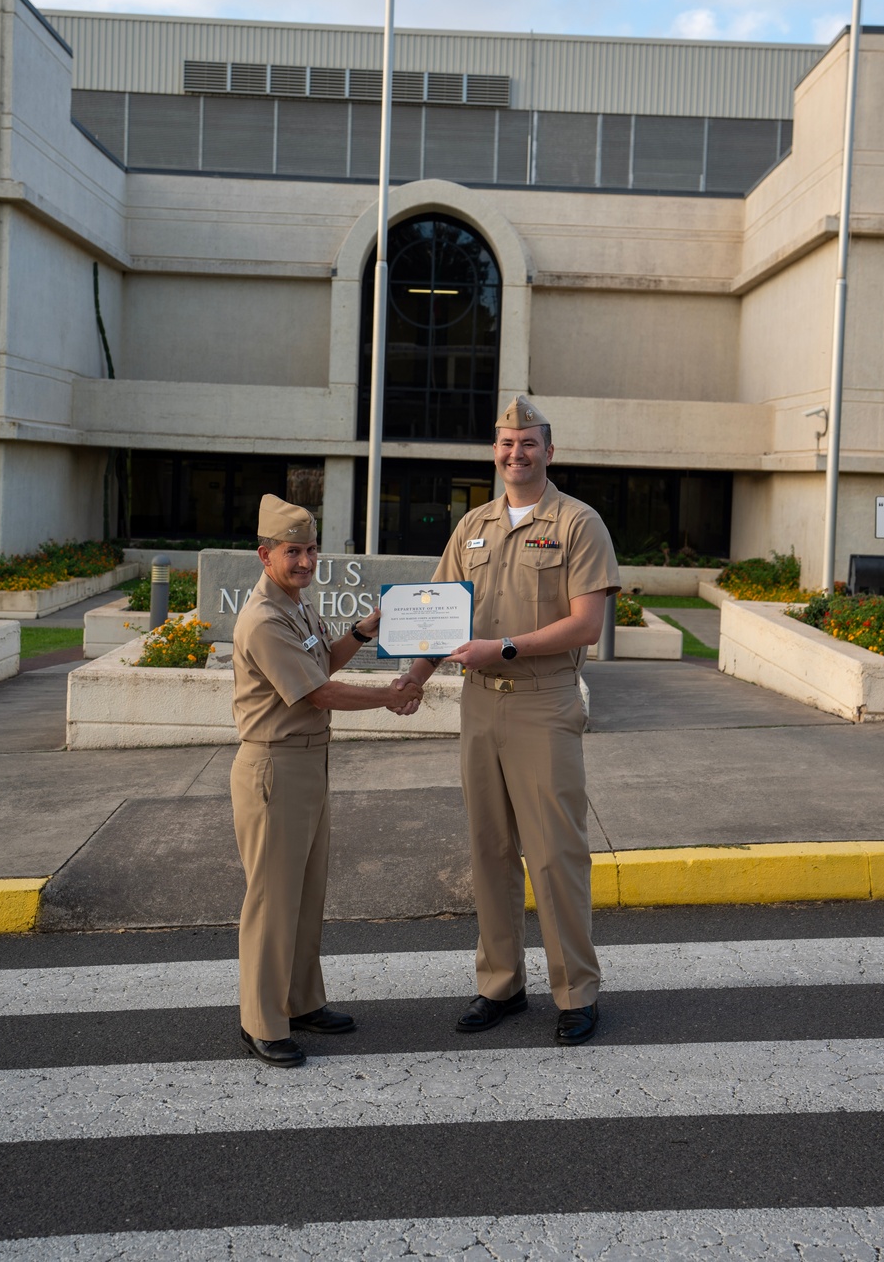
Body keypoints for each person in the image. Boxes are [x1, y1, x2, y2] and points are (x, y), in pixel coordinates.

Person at [395, 396, 620, 1045]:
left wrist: (509, 647)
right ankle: (500, 984)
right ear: (496, 452)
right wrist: (413, 678)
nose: (515, 453)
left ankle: (576, 991)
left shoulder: (578, 524)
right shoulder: (474, 526)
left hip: (543, 702)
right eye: (506, 443)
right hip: (479, 704)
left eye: (528, 443)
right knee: (489, 852)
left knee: (554, 855)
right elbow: (438, 618)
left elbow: (586, 624)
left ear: (549, 451)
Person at [231, 493, 421, 1069]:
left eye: (312, 550)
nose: (307, 562)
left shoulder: (295, 605)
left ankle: (301, 1000)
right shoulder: (264, 618)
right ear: (265, 555)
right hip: (275, 767)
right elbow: (318, 693)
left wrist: (367, 627)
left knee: (307, 895)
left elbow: (325, 664)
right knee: (271, 899)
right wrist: (390, 697)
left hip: (309, 764)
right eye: (294, 552)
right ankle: (262, 1021)